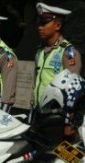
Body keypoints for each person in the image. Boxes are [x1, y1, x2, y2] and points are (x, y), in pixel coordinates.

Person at [33, 3, 82, 141]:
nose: (39, 27)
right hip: (40, 116)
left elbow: (73, 90)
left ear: (58, 26)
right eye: (39, 23)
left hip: (58, 119)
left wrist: (69, 123)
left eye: (44, 23)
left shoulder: (68, 52)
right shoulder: (40, 52)